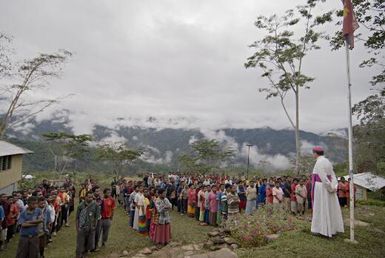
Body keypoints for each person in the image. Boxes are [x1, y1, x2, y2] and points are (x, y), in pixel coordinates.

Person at [311, 146, 344, 237]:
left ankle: (322, 229)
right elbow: (333, 175)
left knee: (321, 208)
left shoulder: (319, 162)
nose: (312, 154)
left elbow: (323, 178)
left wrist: (329, 188)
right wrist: (334, 186)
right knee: (329, 208)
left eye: (313, 153)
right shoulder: (327, 161)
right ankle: (330, 228)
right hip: (328, 186)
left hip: (321, 187)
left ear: (315, 153)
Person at [75, 191, 100, 258]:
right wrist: (77, 228)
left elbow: (96, 218)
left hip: (91, 228)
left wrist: (94, 226)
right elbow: (77, 218)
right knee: (80, 245)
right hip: (82, 227)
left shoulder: (96, 205)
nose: (90, 198)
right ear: (85, 197)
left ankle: (85, 255)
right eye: (89, 197)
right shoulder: (80, 206)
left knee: (89, 244)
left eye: (92, 197)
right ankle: (79, 255)